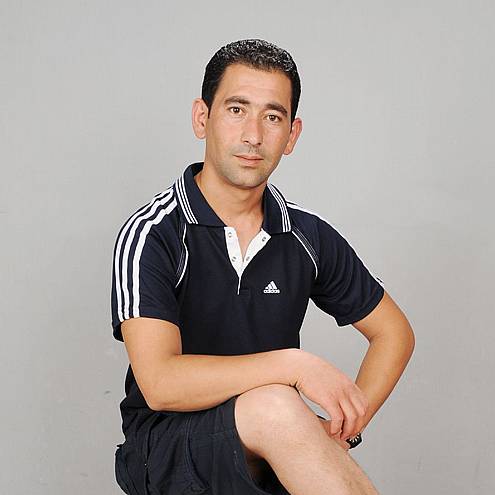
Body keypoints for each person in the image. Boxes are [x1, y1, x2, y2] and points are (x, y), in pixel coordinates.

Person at [110, 38, 415, 495]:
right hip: (166, 449)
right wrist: (292, 366)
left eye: (272, 117)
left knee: (278, 407)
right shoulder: (155, 232)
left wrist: (342, 429)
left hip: (268, 439)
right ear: (202, 118)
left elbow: (394, 333)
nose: (253, 134)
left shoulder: (306, 235)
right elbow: (160, 383)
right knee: (276, 402)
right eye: (237, 110)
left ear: (291, 135)